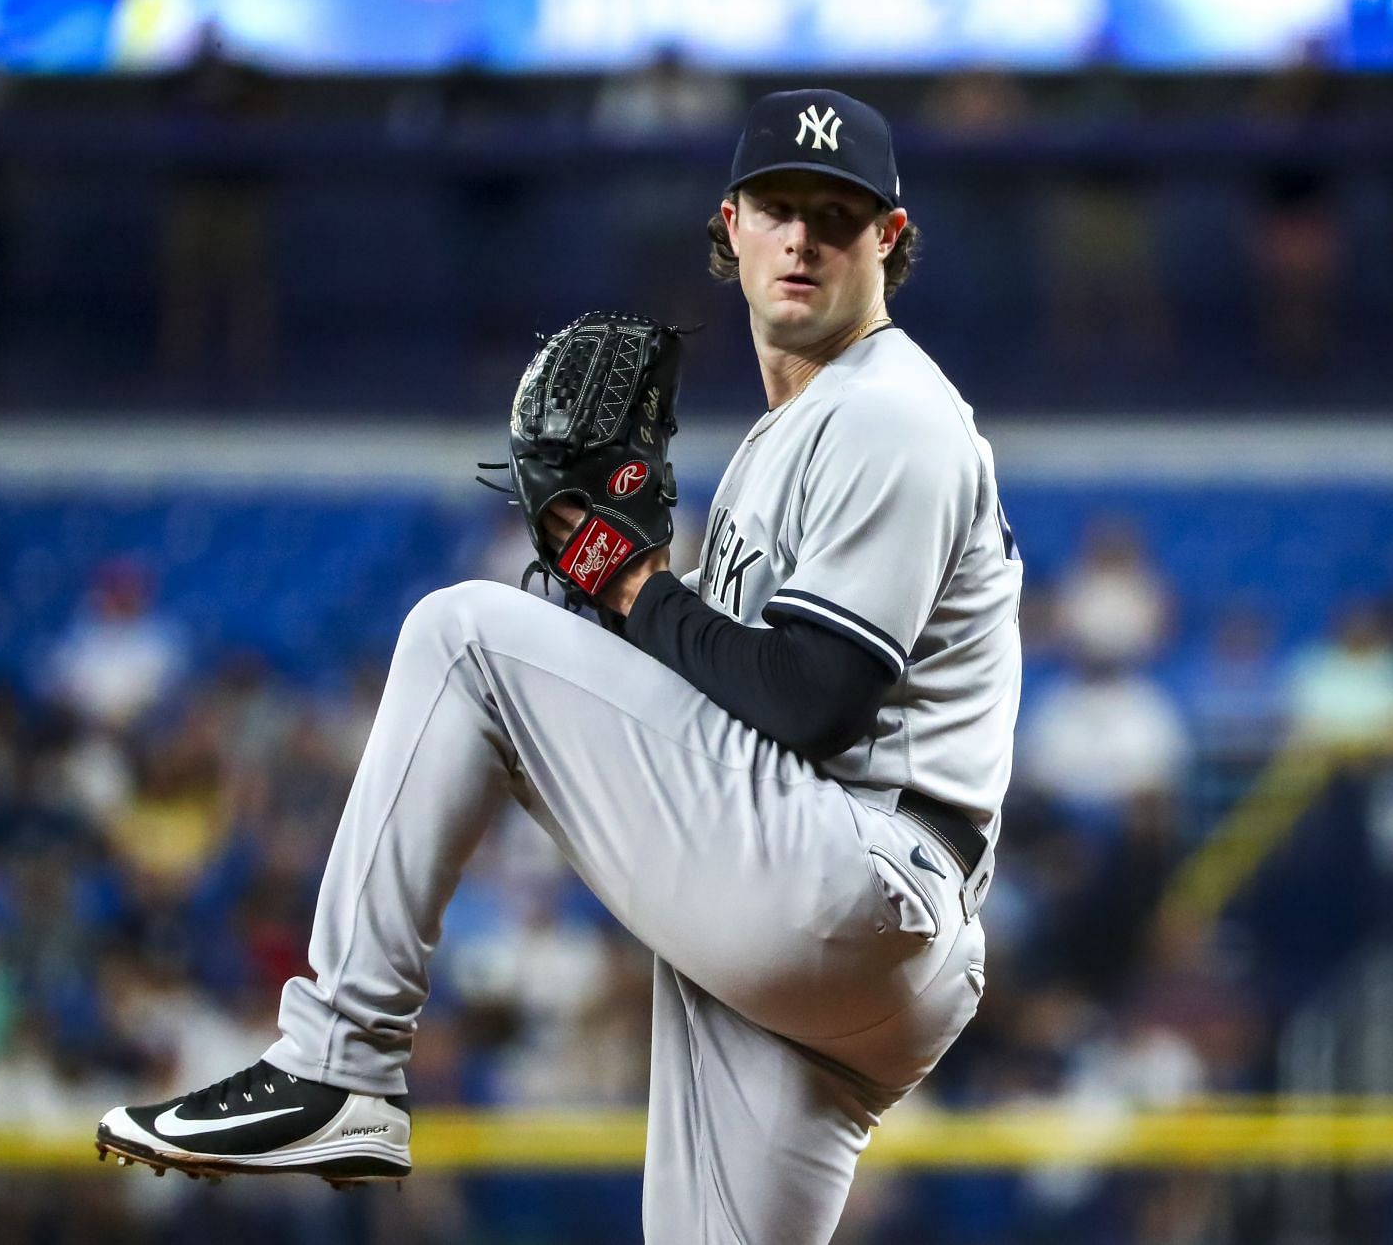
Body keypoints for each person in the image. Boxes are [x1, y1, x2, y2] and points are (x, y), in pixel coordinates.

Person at [95, 89, 1023, 1243]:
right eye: (780, 208)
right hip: (836, 934)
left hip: (856, 877)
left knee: (462, 636)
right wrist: (621, 599)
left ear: (888, 240)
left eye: (837, 216)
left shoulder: (892, 412)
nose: (803, 239)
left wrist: (630, 586)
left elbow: (813, 699)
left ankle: (339, 1058)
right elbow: (733, 709)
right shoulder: (793, 433)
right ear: (729, 225)